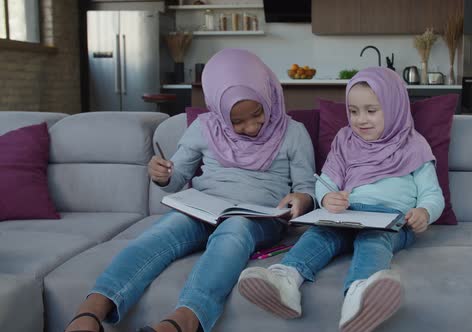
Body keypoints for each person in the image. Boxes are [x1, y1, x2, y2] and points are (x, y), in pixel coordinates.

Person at [64, 49, 316, 332]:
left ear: (268, 95)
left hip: (258, 219)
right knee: (161, 233)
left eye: (257, 114)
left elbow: (306, 189)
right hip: (204, 208)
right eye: (237, 121)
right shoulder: (204, 128)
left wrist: (301, 199)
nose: (251, 127)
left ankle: (183, 320)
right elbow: (176, 177)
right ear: (220, 114)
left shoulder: (293, 132)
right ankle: (90, 311)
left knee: (234, 231)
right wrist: (162, 175)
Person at [237, 67, 444, 332]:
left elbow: (432, 193)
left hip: (391, 220)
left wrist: (424, 212)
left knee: (373, 239)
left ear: (395, 108)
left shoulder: (414, 144)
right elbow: (326, 182)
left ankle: (359, 295)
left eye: (371, 111)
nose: (360, 120)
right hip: (347, 215)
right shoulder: (345, 139)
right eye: (354, 111)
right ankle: (285, 279)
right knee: (319, 233)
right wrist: (328, 199)